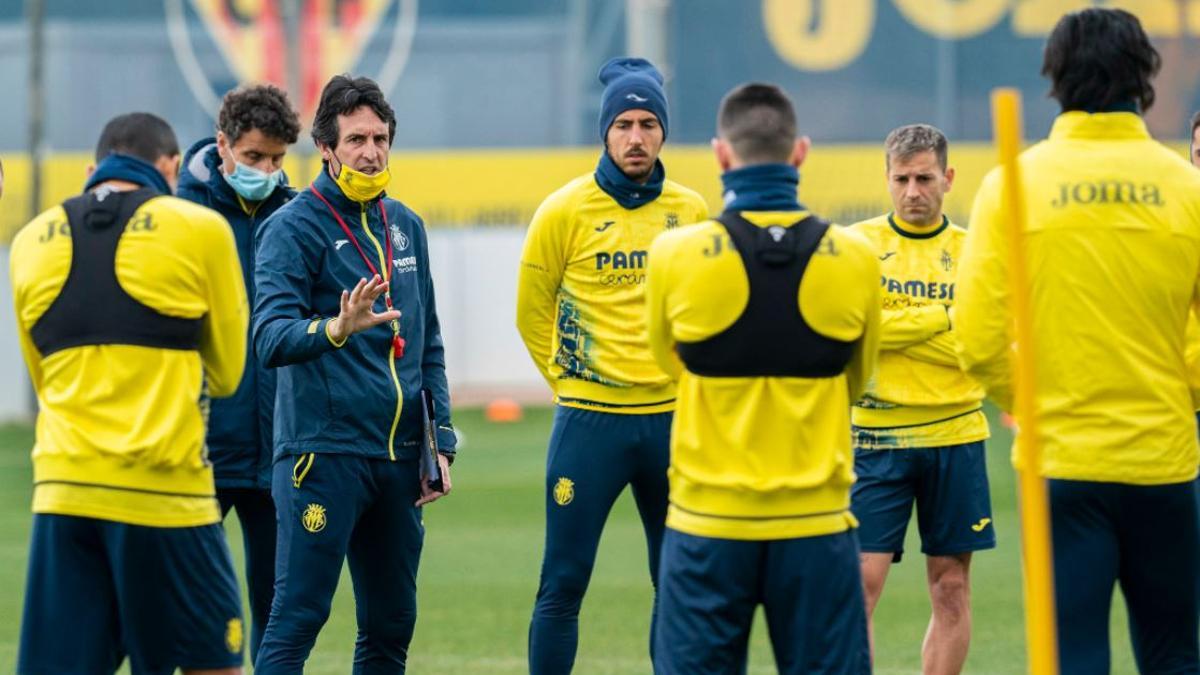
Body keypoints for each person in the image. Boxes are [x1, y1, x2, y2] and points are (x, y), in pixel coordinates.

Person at [956, 9, 1200, 673]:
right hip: (1164, 460)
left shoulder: (1011, 184)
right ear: (1145, 79)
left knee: (1073, 658)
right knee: (1175, 655)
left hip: (1060, 461)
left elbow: (975, 339)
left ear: (1055, 80)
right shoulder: (1189, 189)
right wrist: (1179, 387)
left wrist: (1027, 397)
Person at [644, 82, 879, 674]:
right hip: (818, 525)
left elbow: (664, 363)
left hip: (707, 523)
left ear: (721, 155)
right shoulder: (856, 257)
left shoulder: (673, 253)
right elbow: (858, 379)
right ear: (800, 153)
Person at [13, 112, 249, 674]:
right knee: (212, 663)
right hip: (168, 498)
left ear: (93, 172)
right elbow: (228, 373)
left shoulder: (29, 242)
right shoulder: (199, 227)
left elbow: (45, 380)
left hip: (62, 495)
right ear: (169, 169)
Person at [251, 74, 455, 674]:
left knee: (392, 626)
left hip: (398, 459)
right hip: (323, 455)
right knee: (297, 618)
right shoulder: (291, 227)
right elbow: (269, 337)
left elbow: (429, 344)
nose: (371, 151)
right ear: (327, 149)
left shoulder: (406, 226)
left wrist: (439, 441)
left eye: (380, 137)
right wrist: (333, 329)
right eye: (357, 139)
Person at [516, 56, 708, 674]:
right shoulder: (564, 211)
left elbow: (709, 313)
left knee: (677, 585)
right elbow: (531, 314)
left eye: (648, 123)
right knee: (562, 584)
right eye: (623, 123)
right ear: (605, 131)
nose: (635, 136)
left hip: (672, 424)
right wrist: (571, 383)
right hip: (588, 426)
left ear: (663, 132)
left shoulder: (693, 211)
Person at [846, 124, 992, 673]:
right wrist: (948, 317)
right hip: (874, 437)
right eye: (902, 179)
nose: (913, 191)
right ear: (887, 179)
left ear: (948, 179)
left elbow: (978, 344)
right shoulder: (858, 246)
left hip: (955, 435)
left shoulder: (976, 250)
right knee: (860, 584)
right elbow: (859, 330)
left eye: (925, 178)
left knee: (951, 587)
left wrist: (901, 329)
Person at [176, 83, 301, 664]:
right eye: (254, 158)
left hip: (279, 447)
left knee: (279, 612)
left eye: (277, 159)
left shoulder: (297, 213)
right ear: (222, 145)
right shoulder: (181, 217)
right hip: (197, 448)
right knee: (187, 608)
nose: (267, 171)